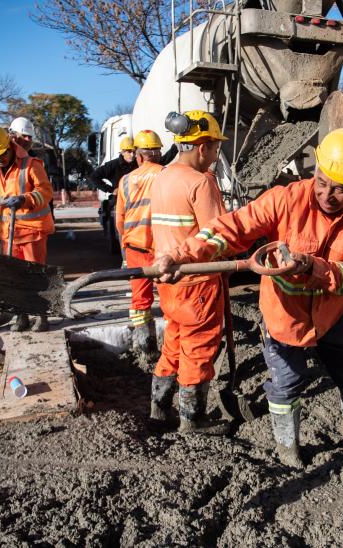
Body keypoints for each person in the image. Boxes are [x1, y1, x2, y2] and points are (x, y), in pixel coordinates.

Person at [154, 128, 343, 467]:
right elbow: (230, 228)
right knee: (286, 386)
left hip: (332, 313)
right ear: (315, 169)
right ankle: (289, 452)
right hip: (284, 315)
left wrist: (312, 267)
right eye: (322, 181)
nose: (327, 194)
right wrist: (182, 255)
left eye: (340, 189)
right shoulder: (286, 198)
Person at [148, 110, 228, 435]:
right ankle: (193, 421)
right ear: (201, 146)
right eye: (214, 147)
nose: (215, 154)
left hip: (168, 281)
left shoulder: (163, 176)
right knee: (198, 348)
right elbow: (219, 236)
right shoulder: (200, 183)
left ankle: (159, 408)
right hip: (198, 282)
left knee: (173, 342)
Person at [0, 126, 54, 332]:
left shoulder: (31, 165)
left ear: (9, 147)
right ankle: (21, 316)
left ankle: (41, 317)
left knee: (34, 275)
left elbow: (46, 191)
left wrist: (25, 199)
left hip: (32, 231)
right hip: (9, 232)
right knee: (14, 278)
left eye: (1, 154)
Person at [116, 130, 165, 355]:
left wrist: (125, 250)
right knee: (169, 297)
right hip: (163, 247)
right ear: (158, 153)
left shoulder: (125, 180)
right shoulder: (166, 175)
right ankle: (173, 348)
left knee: (139, 299)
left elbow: (120, 220)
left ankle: (145, 348)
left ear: (139, 155)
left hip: (135, 247)